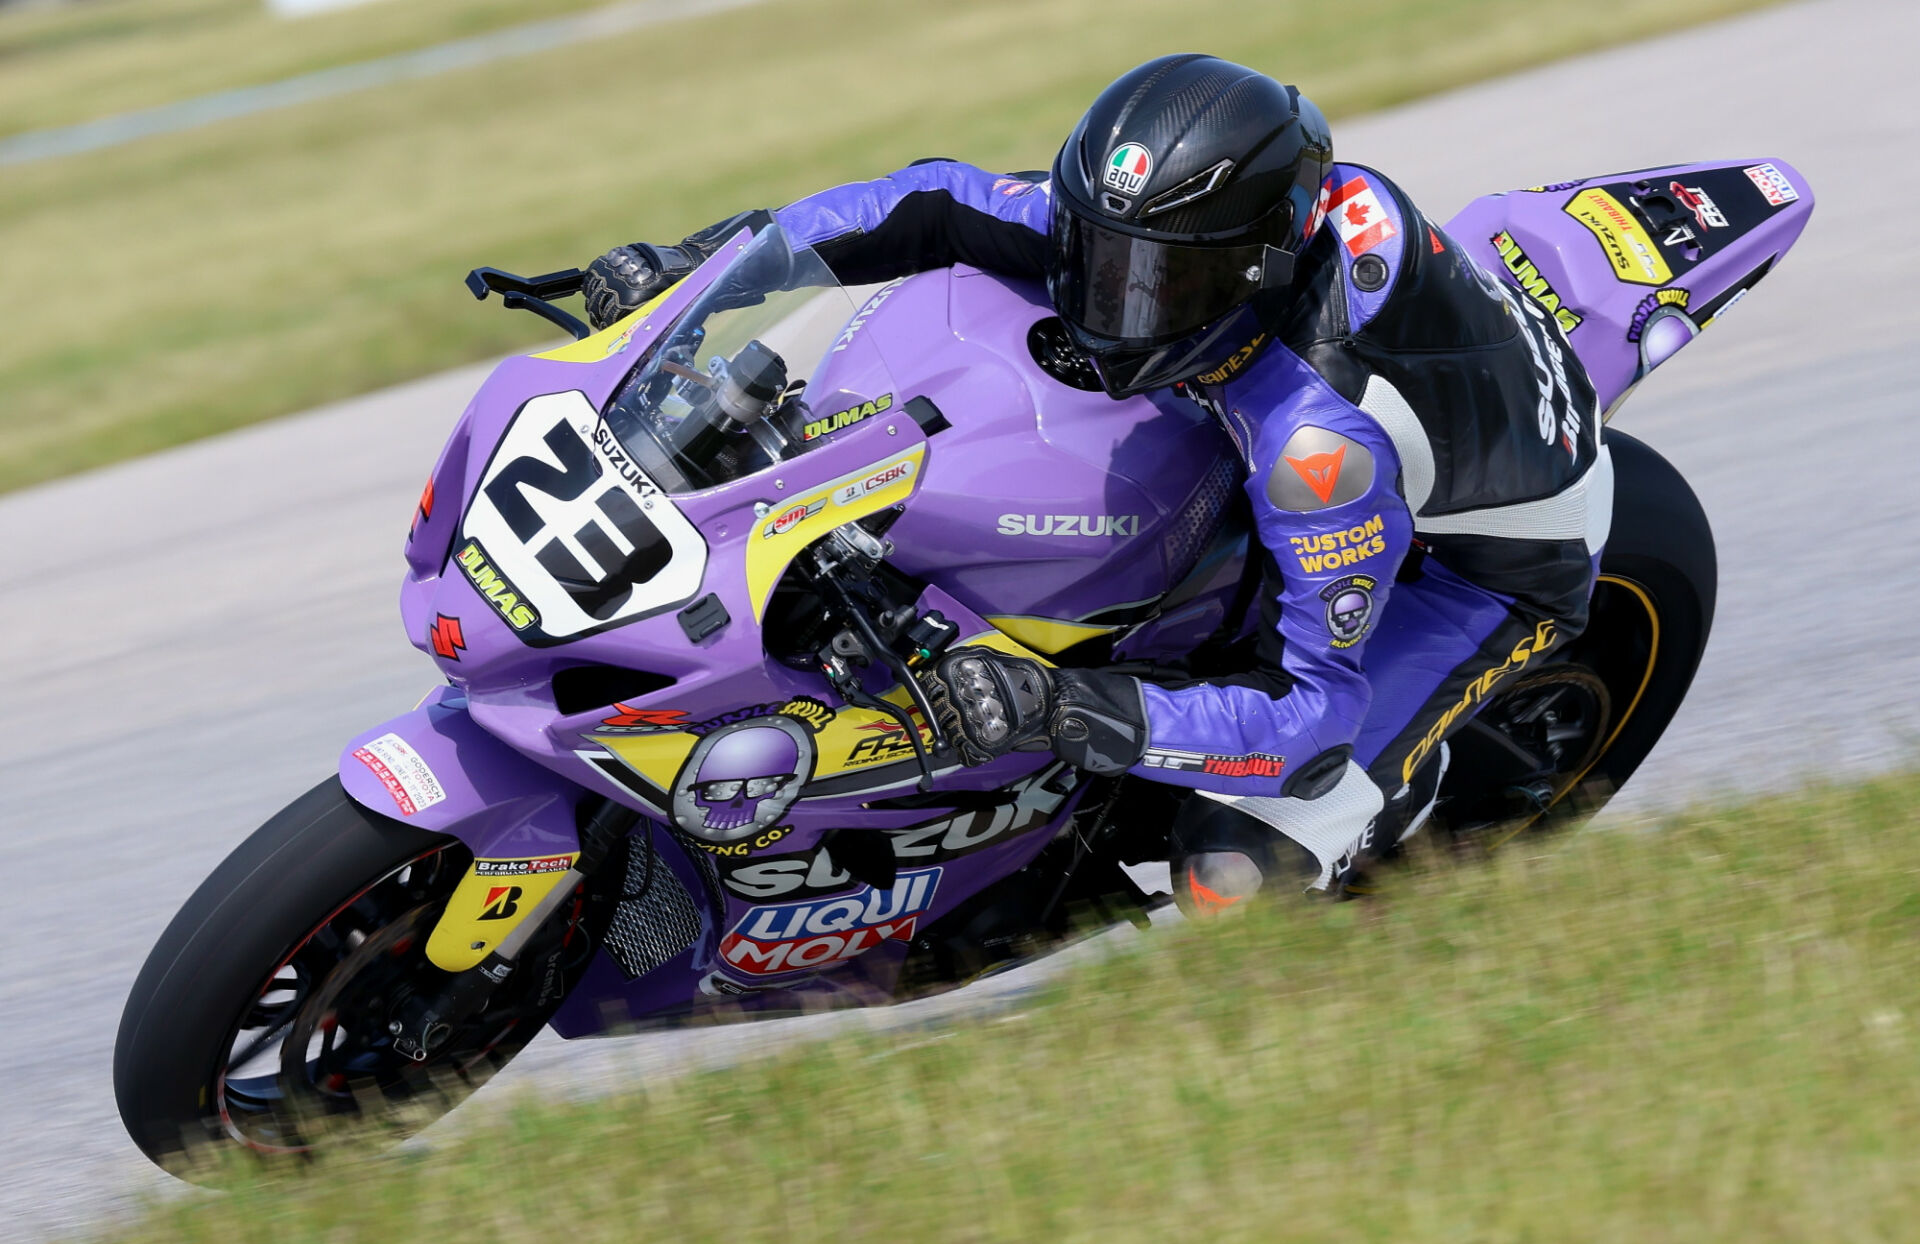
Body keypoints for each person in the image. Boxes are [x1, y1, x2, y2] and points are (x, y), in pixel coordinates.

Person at [580, 54, 1608, 910]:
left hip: (1480, 568)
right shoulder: (1162, 224)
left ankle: (1379, 850)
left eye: (1162, 283)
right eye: (1095, 251)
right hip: (1364, 406)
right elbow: (933, 200)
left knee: (1234, 877)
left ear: (1257, 271)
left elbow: (1308, 718)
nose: (1113, 301)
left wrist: (1060, 706)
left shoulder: (1315, 449)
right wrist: (713, 267)